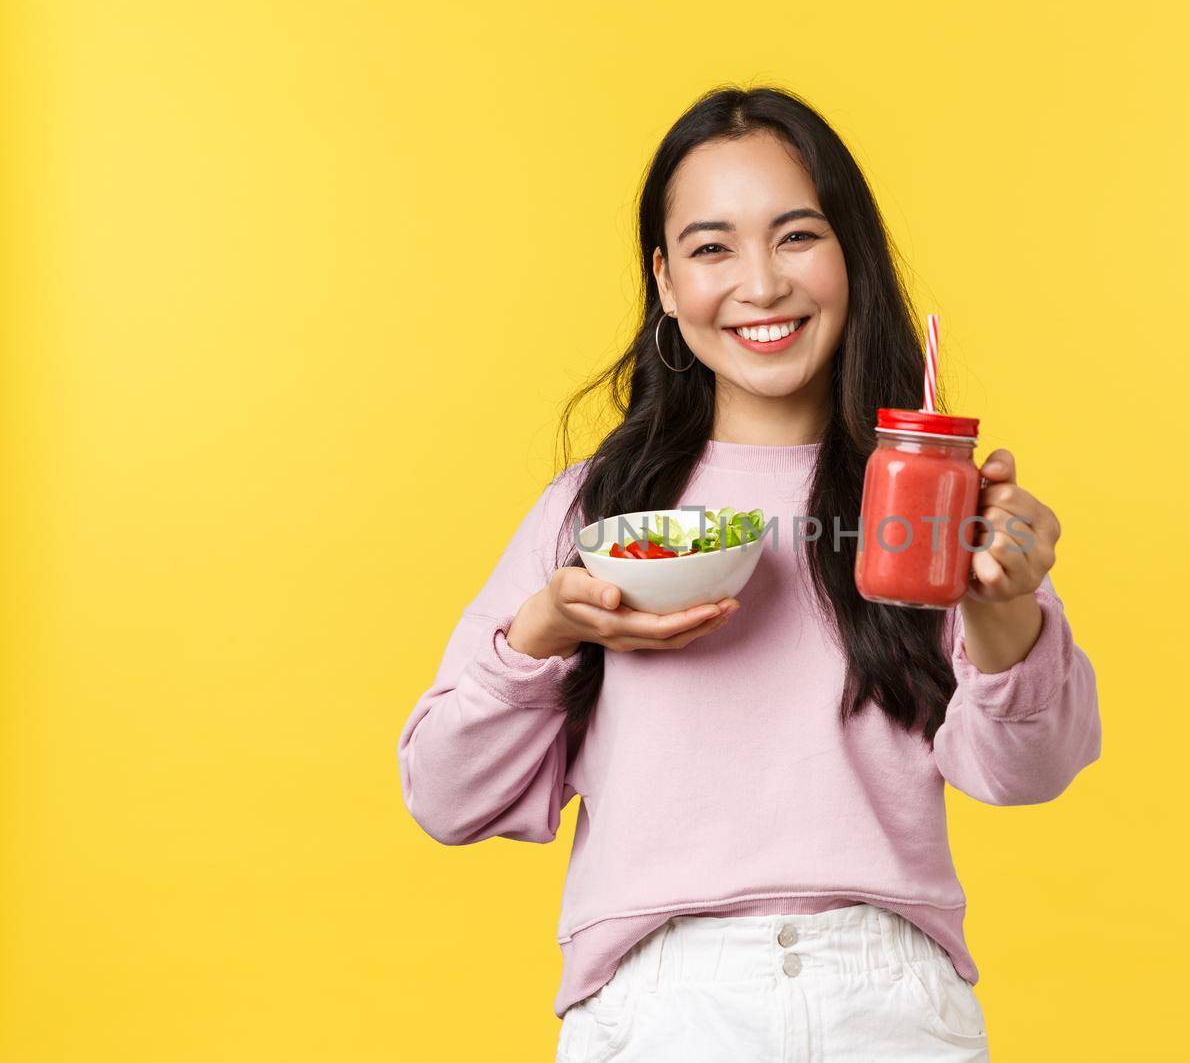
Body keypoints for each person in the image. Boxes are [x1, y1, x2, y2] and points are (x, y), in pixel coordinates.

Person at [396, 84, 1102, 1063]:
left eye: (797, 235)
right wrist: (546, 631)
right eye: (712, 246)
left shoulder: (924, 495)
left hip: (888, 995)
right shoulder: (598, 512)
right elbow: (444, 793)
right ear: (665, 279)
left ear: (849, 253)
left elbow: (1031, 772)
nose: (761, 284)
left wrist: (1006, 604)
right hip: (657, 999)